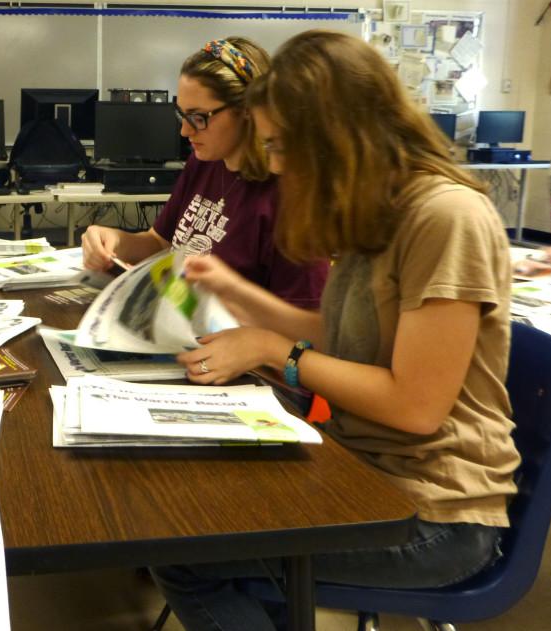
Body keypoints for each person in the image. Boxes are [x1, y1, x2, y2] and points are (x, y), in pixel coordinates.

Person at [152, 30, 520, 630]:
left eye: (278, 145)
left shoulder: (444, 217)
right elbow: (345, 334)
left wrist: (275, 350)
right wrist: (235, 291)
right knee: (182, 507)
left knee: (186, 554)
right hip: (362, 470)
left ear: (332, 136)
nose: (271, 164)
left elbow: (416, 406)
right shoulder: (374, 207)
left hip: (435, 513)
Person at [81, 37, 327, 309]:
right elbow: (158, 242)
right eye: (182, 116)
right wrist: (114, 240)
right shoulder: (205, 161)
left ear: (247, 110)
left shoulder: (288, 199)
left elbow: (307, 324)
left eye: (199, 118)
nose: (185, 132)